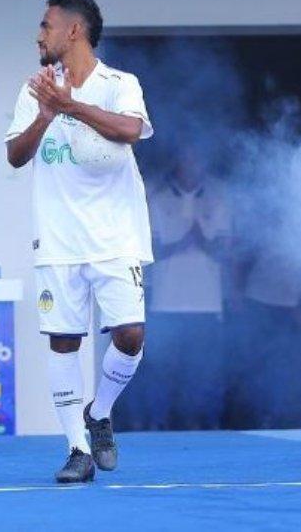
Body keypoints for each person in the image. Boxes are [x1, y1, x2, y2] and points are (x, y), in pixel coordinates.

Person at [5, 0, 154, 483]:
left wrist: (71, 105)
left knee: (130, 335)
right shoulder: (34, 90)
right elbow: (15, 155)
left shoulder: (119, 83)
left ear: (73, 31)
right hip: (58, 238)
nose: (38, 35)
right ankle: (76, 449)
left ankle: (101, 411)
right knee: (64, 342)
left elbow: (131, 129)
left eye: (46, 25)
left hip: (116, 236)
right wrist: (47, 114)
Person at [119, 150, 230, 430]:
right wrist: (180, 243)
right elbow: (145, 249)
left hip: (207, 305)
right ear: (178, 164)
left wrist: (202, 241)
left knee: (205, 373)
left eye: (198, 161)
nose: (193, 167)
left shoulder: (218, 200)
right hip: (166, 304)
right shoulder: (157, 199)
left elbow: (225, 251)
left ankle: (207, 428)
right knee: (161, 372)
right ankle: (157, 427)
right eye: (188, 160)